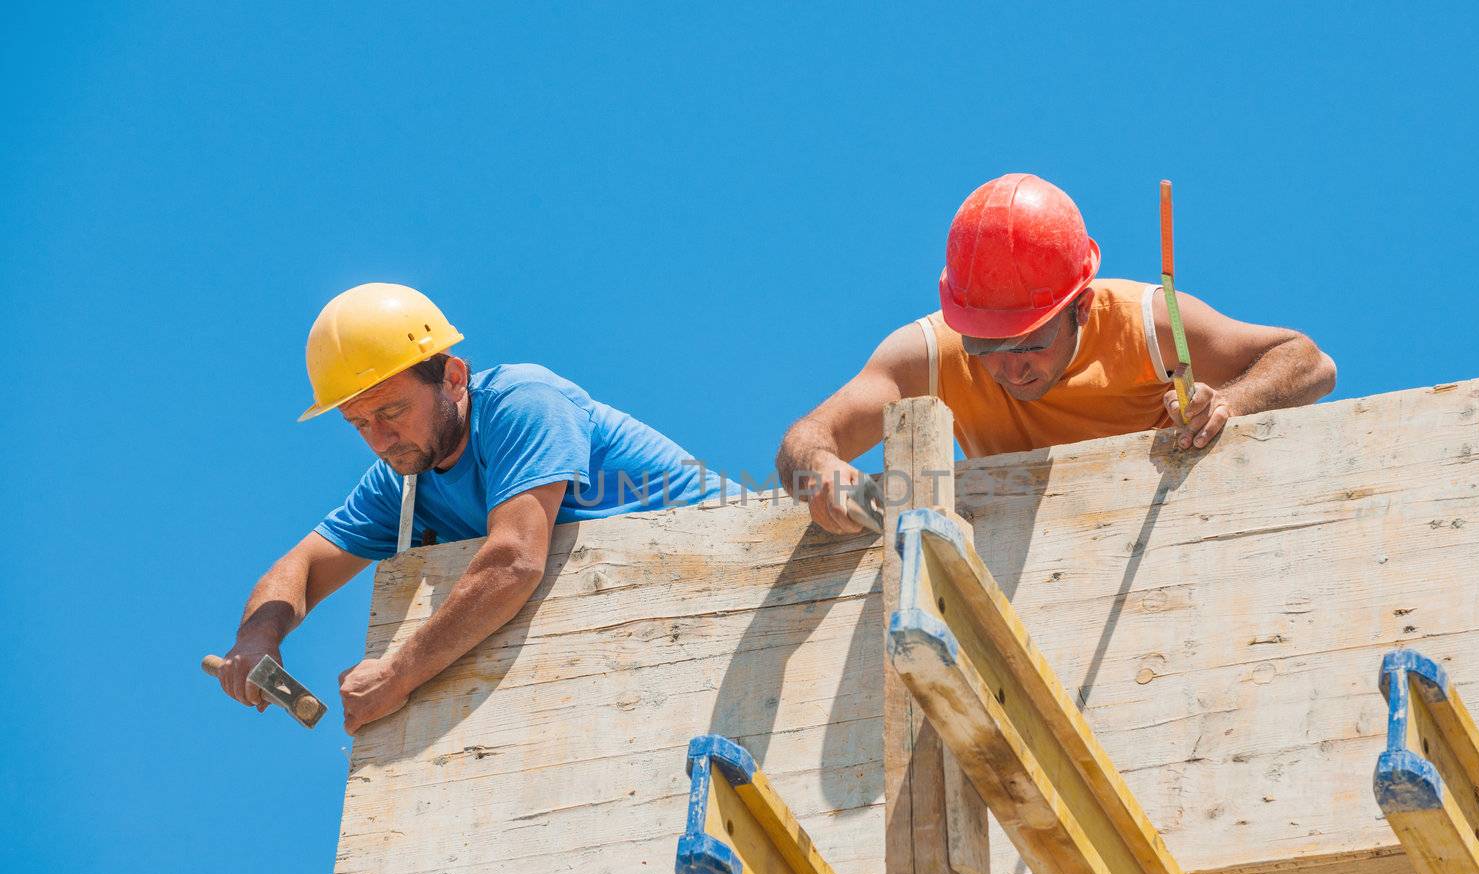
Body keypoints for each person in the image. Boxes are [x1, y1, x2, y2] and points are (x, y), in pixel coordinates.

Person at [213, 282, 722, 733]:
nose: (380, 439)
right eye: (359, 423)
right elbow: (301, 566)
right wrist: (256, 638)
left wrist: (396, 673)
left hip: (726, 567)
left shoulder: (524, 402)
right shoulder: (404, 482)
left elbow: (514, 562)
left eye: (392, 411)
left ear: (454, 378)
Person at [776, 173, 1337, 533]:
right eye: (986, 346)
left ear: (1083, 307)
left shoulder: (1147, 323)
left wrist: (1228, 406)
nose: (1008, 366)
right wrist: (821, 473)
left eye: (1033, 343)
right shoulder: (930, 353)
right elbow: (805, 440)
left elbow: (1309, 362)